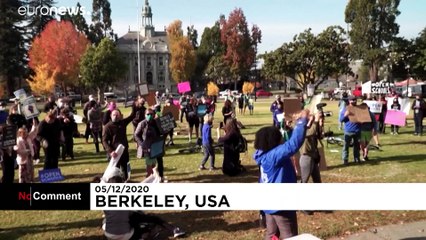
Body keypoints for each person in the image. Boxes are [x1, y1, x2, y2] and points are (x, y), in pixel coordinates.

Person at [253, 109, 309, 239]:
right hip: (281, 205)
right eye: (279, 137)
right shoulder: (273, 156)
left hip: (269, 204)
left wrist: (295, 128)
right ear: (273, 141)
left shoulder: (264, 154)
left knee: (272, 235)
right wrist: (301, 122)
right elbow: (292, 146)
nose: (282, 139)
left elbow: (289, 143)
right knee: (289, 235)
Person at [101, 168, 185, 240]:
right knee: (141, 219)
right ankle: (171, 229)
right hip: (125, 235)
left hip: (109, 235)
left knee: (117, 220)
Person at [102, 109, 135, 180]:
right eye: (114, 115)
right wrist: (110, 151)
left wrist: (134, 106)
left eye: (117, 115)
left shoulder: (123, 123)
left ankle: (126, 182)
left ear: (120, 116)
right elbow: (104, 141)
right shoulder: (107, 127)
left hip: (124, 151)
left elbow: (132, 116)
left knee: (126, 170)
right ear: (111, 116)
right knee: (114, 172)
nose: (115, 116)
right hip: (114, 153)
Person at [135, 108, 164, 178]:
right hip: (147, 146)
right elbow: (136, 135)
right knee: (149, 163)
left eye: (151, 114)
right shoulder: (142, 123)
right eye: (148, 114)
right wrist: (142, 144)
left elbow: (161, 132)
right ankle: (149, 178)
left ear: (154, 115)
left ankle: (160, 176)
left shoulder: (156, 122)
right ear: (145, 115)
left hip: (156, 145)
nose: (149, 116)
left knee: (158, 161)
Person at [299, 111, 323, 184]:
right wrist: (315, 120)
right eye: (309, 115)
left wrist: (320, 124)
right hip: (306, 156)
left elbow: (319, 136)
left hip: (313, 156)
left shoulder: (312, 126)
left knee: (317, 180)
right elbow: (310, 132)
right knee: (304, 180)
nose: (311, 116)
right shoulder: (301, 126)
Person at [339, 97, 361, 164]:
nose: (353, 101)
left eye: (354, 100)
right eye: (352, 100)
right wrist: (345, 115)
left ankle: (356, 158)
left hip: (357, 130)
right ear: (349, 101)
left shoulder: (359, 109)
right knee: (346, 146)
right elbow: (341, 120)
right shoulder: (345, 109)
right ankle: (345, 159)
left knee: (357, 146)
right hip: (348, 131)